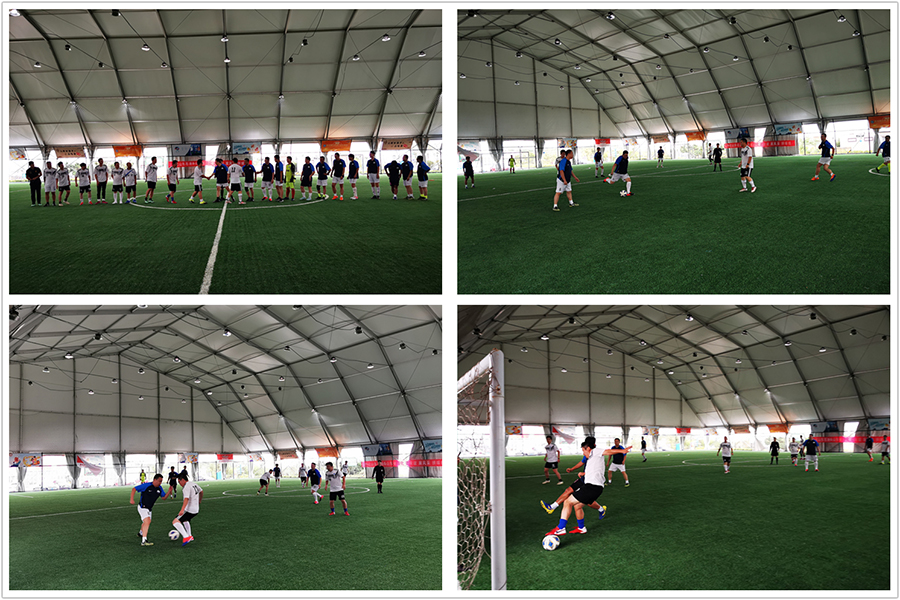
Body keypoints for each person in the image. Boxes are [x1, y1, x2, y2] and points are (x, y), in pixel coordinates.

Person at [545, 437, 630, 537]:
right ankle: (581, 528)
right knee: (577, 506)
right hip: (595, 488)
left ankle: (560, 528)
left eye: (583, 450)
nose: (583, 453)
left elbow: (608, 451)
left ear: (588, 448)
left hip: (592, 487)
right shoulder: (591, 459)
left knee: (567, 502)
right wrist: (584, 473)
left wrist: (622, 451)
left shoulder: (596, 451)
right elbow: (595, 470)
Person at [541, 441, 606, 516]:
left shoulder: (598, 454)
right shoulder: (587, 453)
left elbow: (597, 470)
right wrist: (572, 469)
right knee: (568, 490)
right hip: (584, 478)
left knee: (585, 501)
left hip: (592, 481)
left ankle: (601, 509)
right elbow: (582, 462)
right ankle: (552, 507)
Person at [130, 473, 166, 546]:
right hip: (142, 507)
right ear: (155, 480)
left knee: (146, 522)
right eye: (159, 481)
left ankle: (141, 533)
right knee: (147, 521)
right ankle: (144, 541)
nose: (160, 483)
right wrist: (131, 499)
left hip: (149, 508)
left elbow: (163, 497)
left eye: (161, 481)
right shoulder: (147, 485)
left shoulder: (160, 488)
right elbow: (134, 489)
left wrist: (169, 491)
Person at [172, 473, 202, 546]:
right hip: (196, 510)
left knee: (175, 522)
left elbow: (186, 499)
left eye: (179, 482)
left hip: (189, 510)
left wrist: (182, 510)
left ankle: (186, 537)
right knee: (185, 520)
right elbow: (201, 491)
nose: (179, 484)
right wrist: (199, 500)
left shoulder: (186, 487)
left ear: (182, 480)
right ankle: (190, 536)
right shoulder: (194, 484)